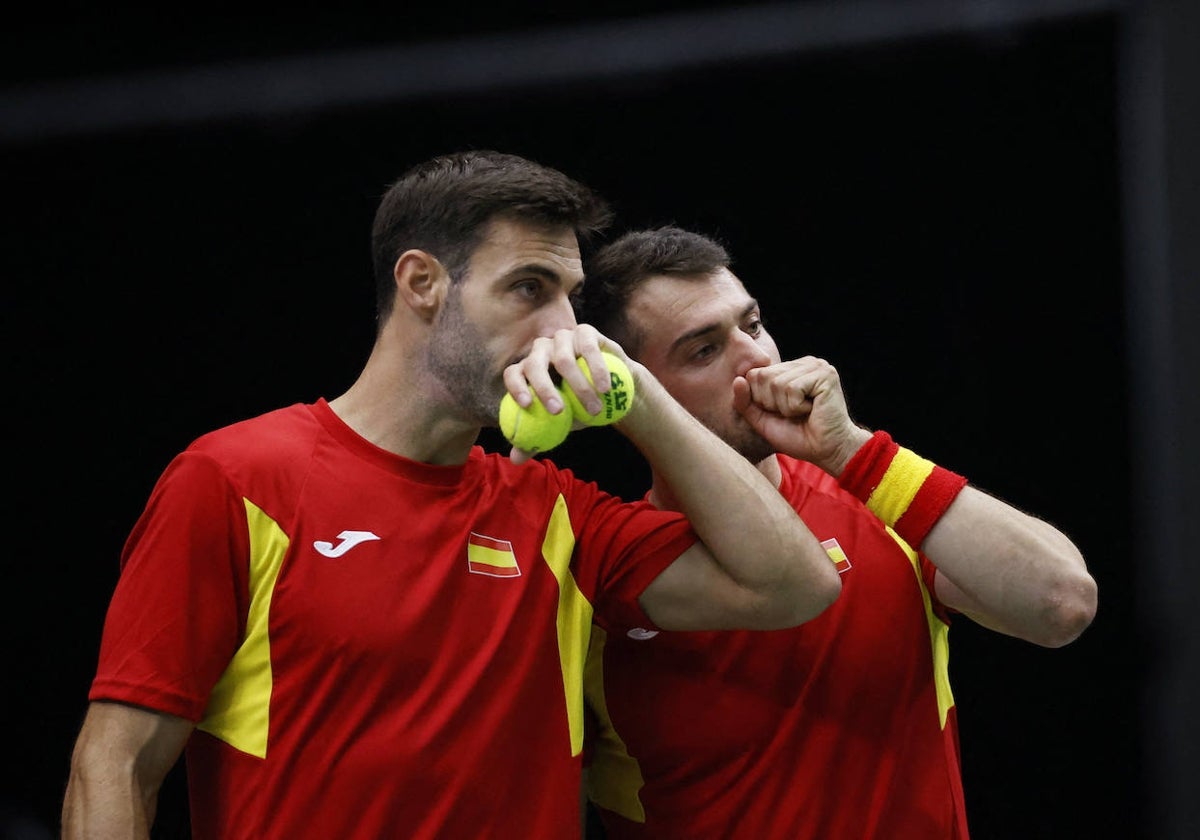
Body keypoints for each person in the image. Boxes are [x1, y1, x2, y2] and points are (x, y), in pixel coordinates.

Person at [60, 154, 844, 840]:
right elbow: (118, 762)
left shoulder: (554, 512)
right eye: (529, 289)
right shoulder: (236, 478)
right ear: (421, 283)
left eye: (569, 297)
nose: (561, 328)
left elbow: (792, 585)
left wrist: (638, 397)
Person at [577, 225, 1099, 839]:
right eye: (704, 351)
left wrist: (853, 454)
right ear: (636, 392)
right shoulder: (602, 572)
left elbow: (1061, 604)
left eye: (752, 325)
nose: (758, 359)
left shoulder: (874, 495)